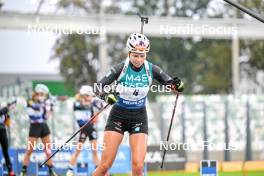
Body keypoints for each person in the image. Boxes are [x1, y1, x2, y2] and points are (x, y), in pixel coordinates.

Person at [92, 33, 184, 176]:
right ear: (129, 53)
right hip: (118, 115)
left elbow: (173, 87)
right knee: (105, 165)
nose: (139, 59)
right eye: (135, 55)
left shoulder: (151, 69)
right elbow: (97, 87)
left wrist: (178, 86)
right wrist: (106, 96)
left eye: (142, 56)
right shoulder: (120, 68)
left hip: (139, 117)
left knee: (138, 166)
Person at [66, 85, 105, 176]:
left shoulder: (91, 102)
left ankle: (97, 171)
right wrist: (92, 103)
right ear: (84, 95)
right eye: (88, 96)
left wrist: (99, 109)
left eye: (91, 96)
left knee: (95, 151)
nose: (90, 97)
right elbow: (80, 120)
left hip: (91, 129)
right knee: (78, 151)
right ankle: (70, 170)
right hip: (83, 129)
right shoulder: (77, 103)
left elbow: (102, 107)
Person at [20, 84, 57, 176]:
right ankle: (23, 171)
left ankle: (51, 171)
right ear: (37, 93)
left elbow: (45, 117)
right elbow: (36, 107)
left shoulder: (43, 102)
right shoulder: (30, 101)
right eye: (41, 94)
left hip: (43, 126)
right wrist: (45, 102)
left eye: (43, 94)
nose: (42, 96)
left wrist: (51, 107)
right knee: (29, 150)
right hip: (34, 127)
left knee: (48, 151)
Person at [0, 101, 16, 176]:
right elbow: (1, 111)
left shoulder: (4, 111)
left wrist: (7, 115)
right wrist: (7, 108)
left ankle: (10, 171)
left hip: (3, 131)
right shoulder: (3, 110)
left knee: (5, 152)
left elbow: (7, 124)